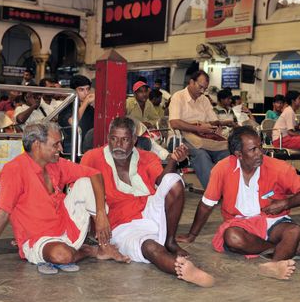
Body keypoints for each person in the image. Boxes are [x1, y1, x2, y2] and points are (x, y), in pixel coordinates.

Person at [0, 122, 130, 274]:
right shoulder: (14, 170)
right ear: (37, 145)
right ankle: (91, 251)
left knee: (85, 182)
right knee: (62, 256)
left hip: (67, 227)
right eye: (55, 144)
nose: (60, 148)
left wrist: (100, 214)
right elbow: (3, 214)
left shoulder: (56, 164)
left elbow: (95, 174)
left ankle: (104, 245)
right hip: (39, 239)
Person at [81, 117, 215, 287]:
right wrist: (98, 216)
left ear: (134, 140)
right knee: (150, 247)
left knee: (173, 180)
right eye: (113, 139)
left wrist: (173, 160)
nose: (118, 145)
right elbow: (81, 189)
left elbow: (161, 182)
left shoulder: (147, 157)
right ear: (108, 138)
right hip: (122, 225)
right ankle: (184, 270)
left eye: (124, 140)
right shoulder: (92, 157)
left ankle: (170, 241)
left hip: (150, 211)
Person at [177, 127, 300, 280]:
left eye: (260, 147)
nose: (260, 153)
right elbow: (206, 204)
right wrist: (191, 235)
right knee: (232, 237)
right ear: (239, 155)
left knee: (294, 231)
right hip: (240, 224)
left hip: (273, 222)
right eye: (253, 150)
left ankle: (273, 265)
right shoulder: (222, 169)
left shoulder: (278, 167)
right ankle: (287, 249)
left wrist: (285, 203)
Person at [169, 70, 235, 189]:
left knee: (227, 153)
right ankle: (213, 192)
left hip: (203, 138)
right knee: (201, 155)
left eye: (205, 88)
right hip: (181, 139)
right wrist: (197, 128)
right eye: (200, 87)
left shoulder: (204, 99)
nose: (202, 91)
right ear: (191, 82)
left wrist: (217, 125)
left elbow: (213, 120)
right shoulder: (178, 97)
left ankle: (231, 188)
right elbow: (174, 123)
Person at [58, 75, 95, 154]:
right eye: (81, 90)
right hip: (71, 143)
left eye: (88, 89)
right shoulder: (66, 106)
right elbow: (73, 121)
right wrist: (85, 103)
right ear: (73, 91)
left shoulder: (90, 108)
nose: (86, 93)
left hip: (88, 143)